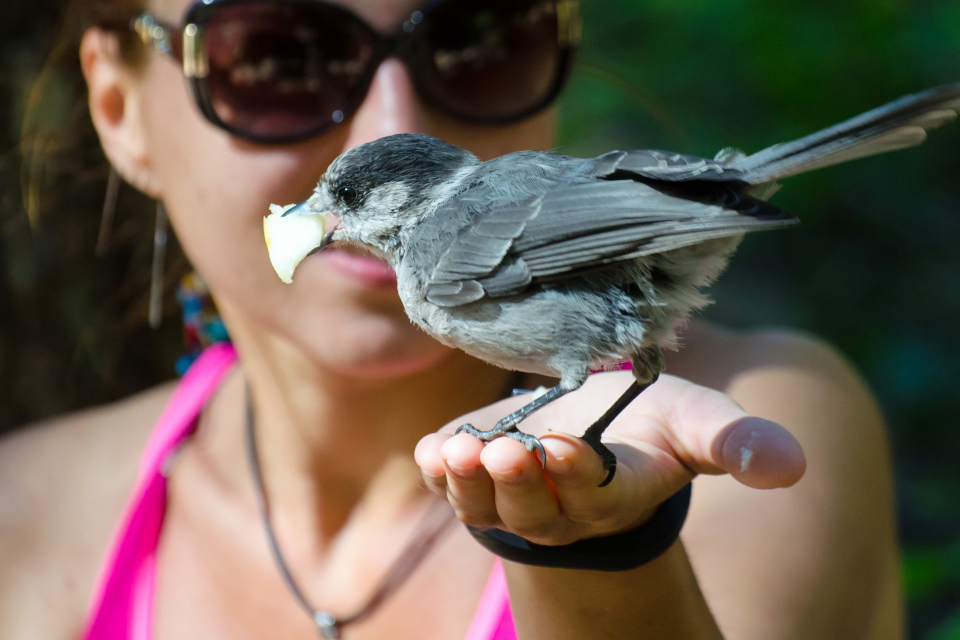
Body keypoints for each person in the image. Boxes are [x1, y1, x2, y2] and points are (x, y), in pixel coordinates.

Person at [0, 0, 902, 638]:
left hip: (632, 261)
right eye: (279, 51)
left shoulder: (769, 398)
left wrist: (599, 544)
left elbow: (589, 222)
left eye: (477, 35)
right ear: (117, 110)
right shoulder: (26, 521)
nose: (385, 110)